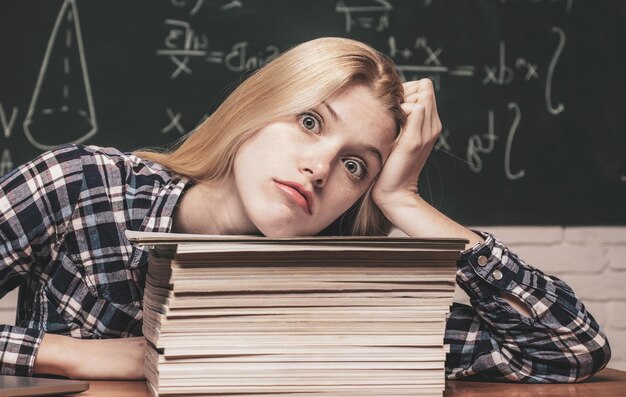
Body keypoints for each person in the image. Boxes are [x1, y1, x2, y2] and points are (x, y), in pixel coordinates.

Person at [0, 37, 610, 382]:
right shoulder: (82, 188)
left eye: (356, 166)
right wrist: (70, 352)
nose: (321, 167)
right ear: (255, 108)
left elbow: (566, 350)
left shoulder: (339, 300)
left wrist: (403, 200)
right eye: (311, 121)